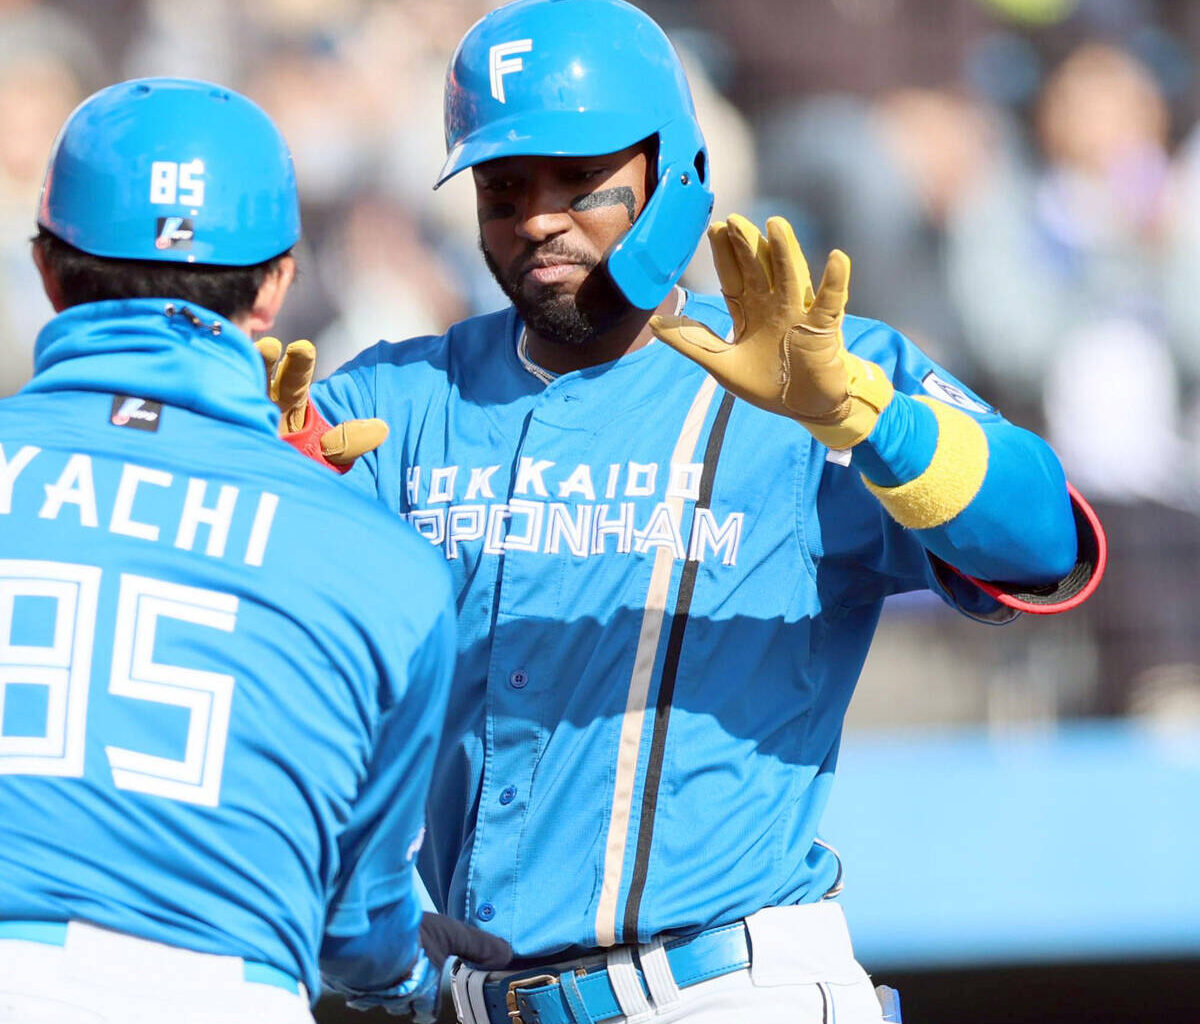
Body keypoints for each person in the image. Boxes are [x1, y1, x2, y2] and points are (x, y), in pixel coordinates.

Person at [264, 2, 1105, 1022]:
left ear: (676, 177)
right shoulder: (393, 399)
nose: (538, 217)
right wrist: (255, 478)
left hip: (726, 989)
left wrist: (871, 421)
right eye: (505, 185)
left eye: (581, 180)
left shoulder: (819, 371)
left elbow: (1046, 543)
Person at [0, 77, 508, 1024]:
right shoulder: (379, 560)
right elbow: (358, 928)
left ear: (44, 265)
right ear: (277, 285)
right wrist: (399, 973)